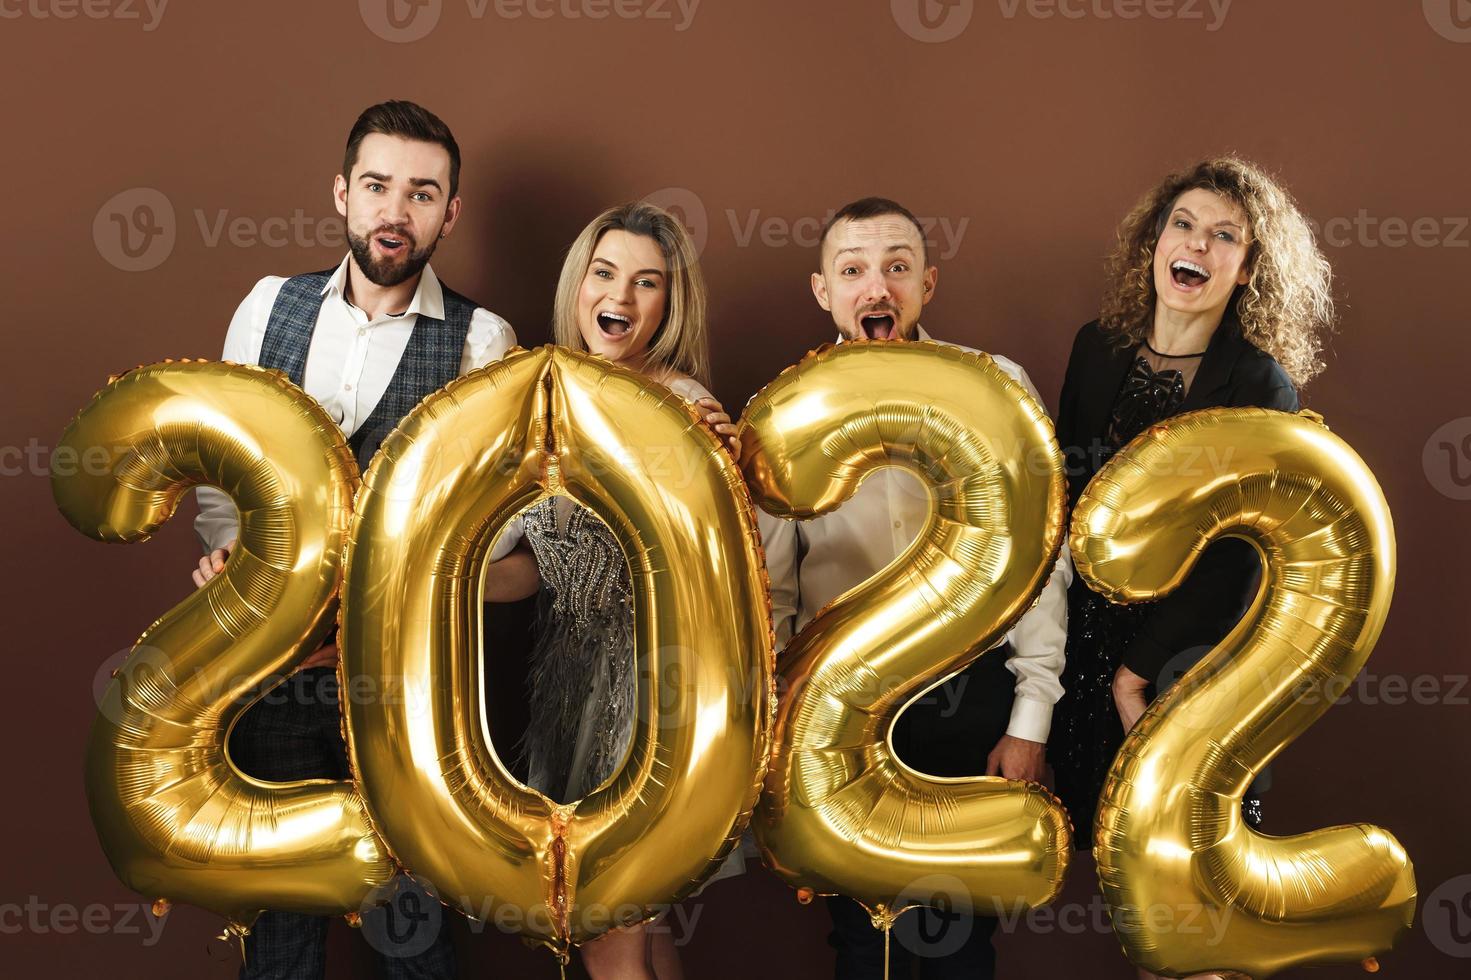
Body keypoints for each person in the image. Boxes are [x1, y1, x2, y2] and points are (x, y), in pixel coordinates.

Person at [189, 100, 517, 979]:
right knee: (281, 917)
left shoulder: (484, 342)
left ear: (450, 212)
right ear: (341, 193)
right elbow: (229, 470)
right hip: (273, 663)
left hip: (401, 685)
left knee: (409, 918)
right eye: (377, 186)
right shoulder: (268, 309)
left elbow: (483, 527)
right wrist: (231, 566)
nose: (394, 211)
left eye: (420, 194)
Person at [759, 197, 1072, 980]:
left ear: (927, 284)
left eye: (897, 268)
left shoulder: (996, 386)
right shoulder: (791, 415)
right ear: (821, 291)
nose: (877, 289)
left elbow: (1042, 564)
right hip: (838, 713)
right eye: (853, 270)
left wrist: (1030, 718)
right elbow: (774, 591)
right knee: (865, 942)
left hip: (970, 701)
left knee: (961, 940)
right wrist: (774, 724)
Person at [1045, 158, 1334, 980]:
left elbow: (1236, 562)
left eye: (1224, 236)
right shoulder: (1094, 352)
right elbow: (1066, 499)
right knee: (1131, 898)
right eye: (1183, 224)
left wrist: (1137, 676)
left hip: (1190, 664)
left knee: (1191, 908)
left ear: (1246, 270)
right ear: (1152, 243)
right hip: (1089, 652)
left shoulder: (1258, 385)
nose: (1197, 245)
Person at [481, 201, 741, 980]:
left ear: (669, 303)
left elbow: (726, 575)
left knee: (601, 917)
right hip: (570, 675)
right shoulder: (539, 396)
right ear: (578, 284)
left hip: (654, 687)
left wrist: (733, 477)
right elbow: (541, 566)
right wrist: (440, 581)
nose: (619, 298)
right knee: (641, 929)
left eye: (646, 282)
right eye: (604, 273)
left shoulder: (685, 407)